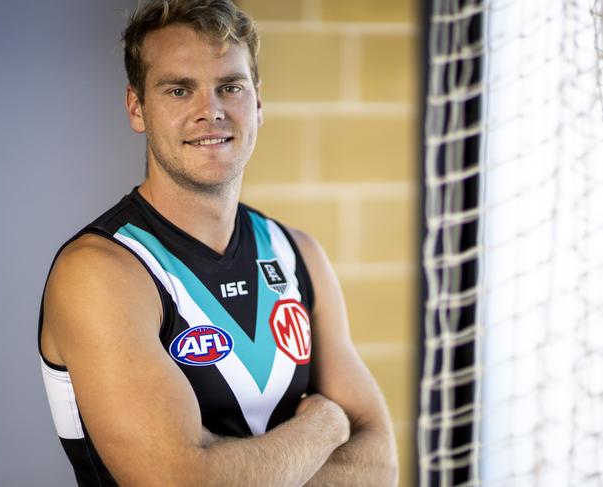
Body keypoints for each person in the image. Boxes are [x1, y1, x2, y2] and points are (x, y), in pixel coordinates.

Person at [38, 1, 398, 485]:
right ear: (137, 108)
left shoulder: (297, 254)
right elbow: (182, 481)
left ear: (258, 102)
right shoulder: (103, 271)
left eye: (230, 86)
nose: (210, 111)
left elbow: (380, 464)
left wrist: (232, 467)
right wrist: (323, 426)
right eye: (178, 90)